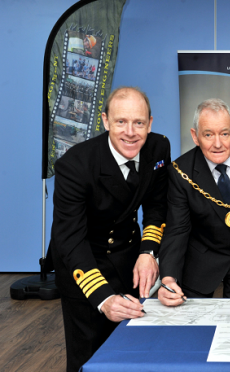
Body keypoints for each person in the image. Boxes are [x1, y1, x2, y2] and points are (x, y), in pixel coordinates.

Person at [48, 87, 170, 371]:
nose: (130, 132)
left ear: (150, 123)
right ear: (105, 121)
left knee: (135, 351)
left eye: (139, 123)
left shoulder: (158, 147)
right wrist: (103, 298)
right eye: (120, 122)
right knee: (91, 359)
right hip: (85, 265)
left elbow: (156, 204)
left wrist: (149, 252)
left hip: (130, 259)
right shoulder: (74, 166)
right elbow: (70, 240)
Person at [158, 98, 230, 304]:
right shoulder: (180, 172)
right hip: (200, 260)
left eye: (224, 133)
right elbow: (177, 229)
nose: (218, 144)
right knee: (195, 329)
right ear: (195, 136)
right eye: (208, 135)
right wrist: (168, 277)